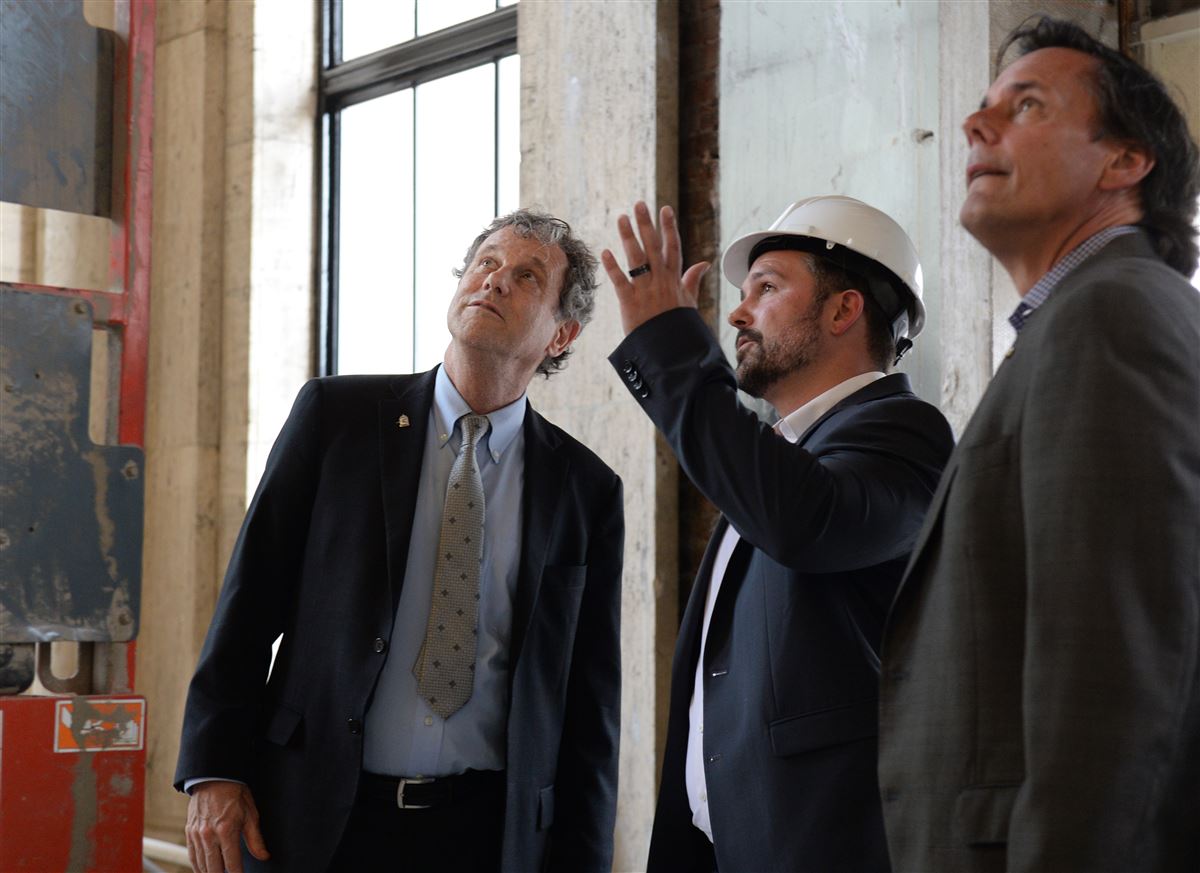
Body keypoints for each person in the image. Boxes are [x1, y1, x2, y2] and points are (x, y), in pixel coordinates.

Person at [175, 210, 624, 873]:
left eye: (526, 276)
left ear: (562, 334)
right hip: (316, 813)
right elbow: (247, 604)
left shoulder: (585, 488)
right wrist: (213, 768)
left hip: (483, 833)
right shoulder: (336, 419)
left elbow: (589, 706)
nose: (494, 281)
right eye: (486, 263)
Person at [878, 17, 1200, 872]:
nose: (976, 127)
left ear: (1125, 162)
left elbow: (1115, 675)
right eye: (982, 108)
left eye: (1025, 107)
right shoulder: (1076, 319)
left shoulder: (1112, 312)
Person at [602, 196, 953, 872]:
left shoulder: (906, 434)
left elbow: (803, 521)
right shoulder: (779, 457)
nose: (735, 313)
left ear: (843, 310)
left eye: (765, 288)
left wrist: (671, 346)